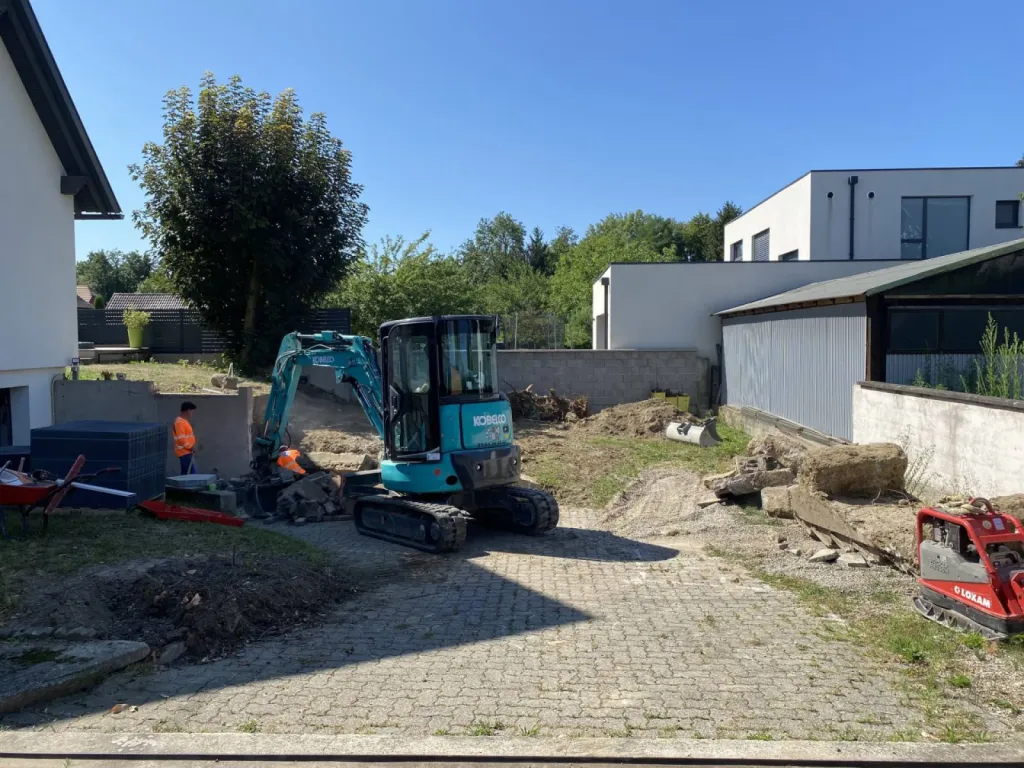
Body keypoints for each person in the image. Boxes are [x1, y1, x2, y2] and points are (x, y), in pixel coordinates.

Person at [173, 402, 198, 475]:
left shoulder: (183, 422)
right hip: (185, 453)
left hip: (187, 452)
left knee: (187, 474)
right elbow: (181, 439)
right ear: (188, 410)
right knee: (191, 474)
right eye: (191, 411)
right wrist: (191, 447)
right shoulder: (180, 422)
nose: (192, 413)